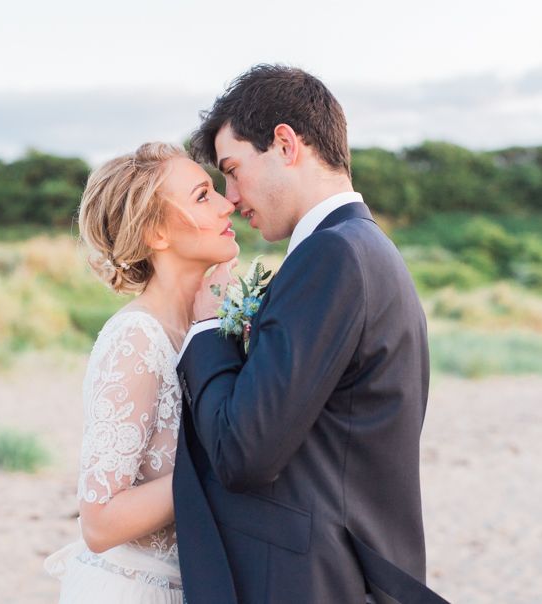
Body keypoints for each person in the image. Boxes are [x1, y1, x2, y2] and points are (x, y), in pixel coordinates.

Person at [173, 65, 449, 603]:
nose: (230, 197)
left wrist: (207, 329)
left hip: (317, 580)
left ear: (284, 144)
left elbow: (242, 452)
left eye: (233, 170)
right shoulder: (365, 248)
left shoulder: (333, 256)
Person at [44, 142, 239, 603]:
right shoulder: (135, 338)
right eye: (202, 195)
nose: (227, 203)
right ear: (155, 233)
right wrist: (230, 466)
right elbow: (99, 522)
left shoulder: (211, 325)